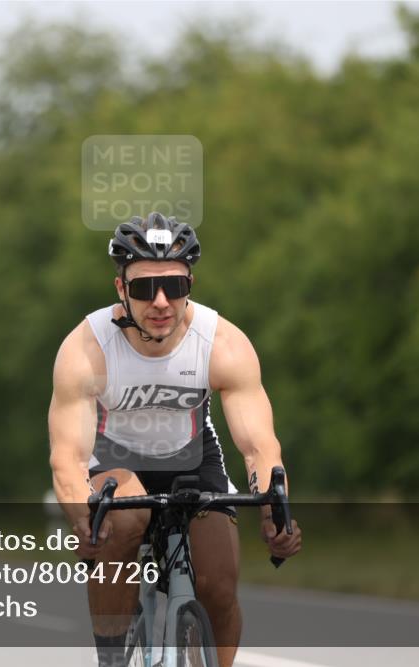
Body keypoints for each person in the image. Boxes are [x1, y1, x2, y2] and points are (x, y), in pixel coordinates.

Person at [49, 212, 302, 667]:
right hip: (115, 461)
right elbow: (67, 457)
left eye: (175, 286)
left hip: (193, 460)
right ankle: (110, 658)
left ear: (191, 284)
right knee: (124, 521)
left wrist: (273, 512)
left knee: (219, 588)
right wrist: (81, 520)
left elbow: (259, 445)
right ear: (121, 289)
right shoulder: (87, 349)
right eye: (145, 288)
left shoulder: (222, 343)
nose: (161, 301)